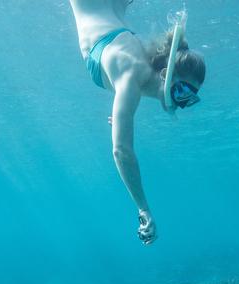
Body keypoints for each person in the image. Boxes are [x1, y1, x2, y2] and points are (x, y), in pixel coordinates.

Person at [68, 0, 206, 245]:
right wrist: (144, 210)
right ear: (166, 74)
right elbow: (121, 151)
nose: (181, 102)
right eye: (182, 91)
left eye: (189, 99)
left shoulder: (140, 78)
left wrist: (122, 115)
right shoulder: (133, 75)